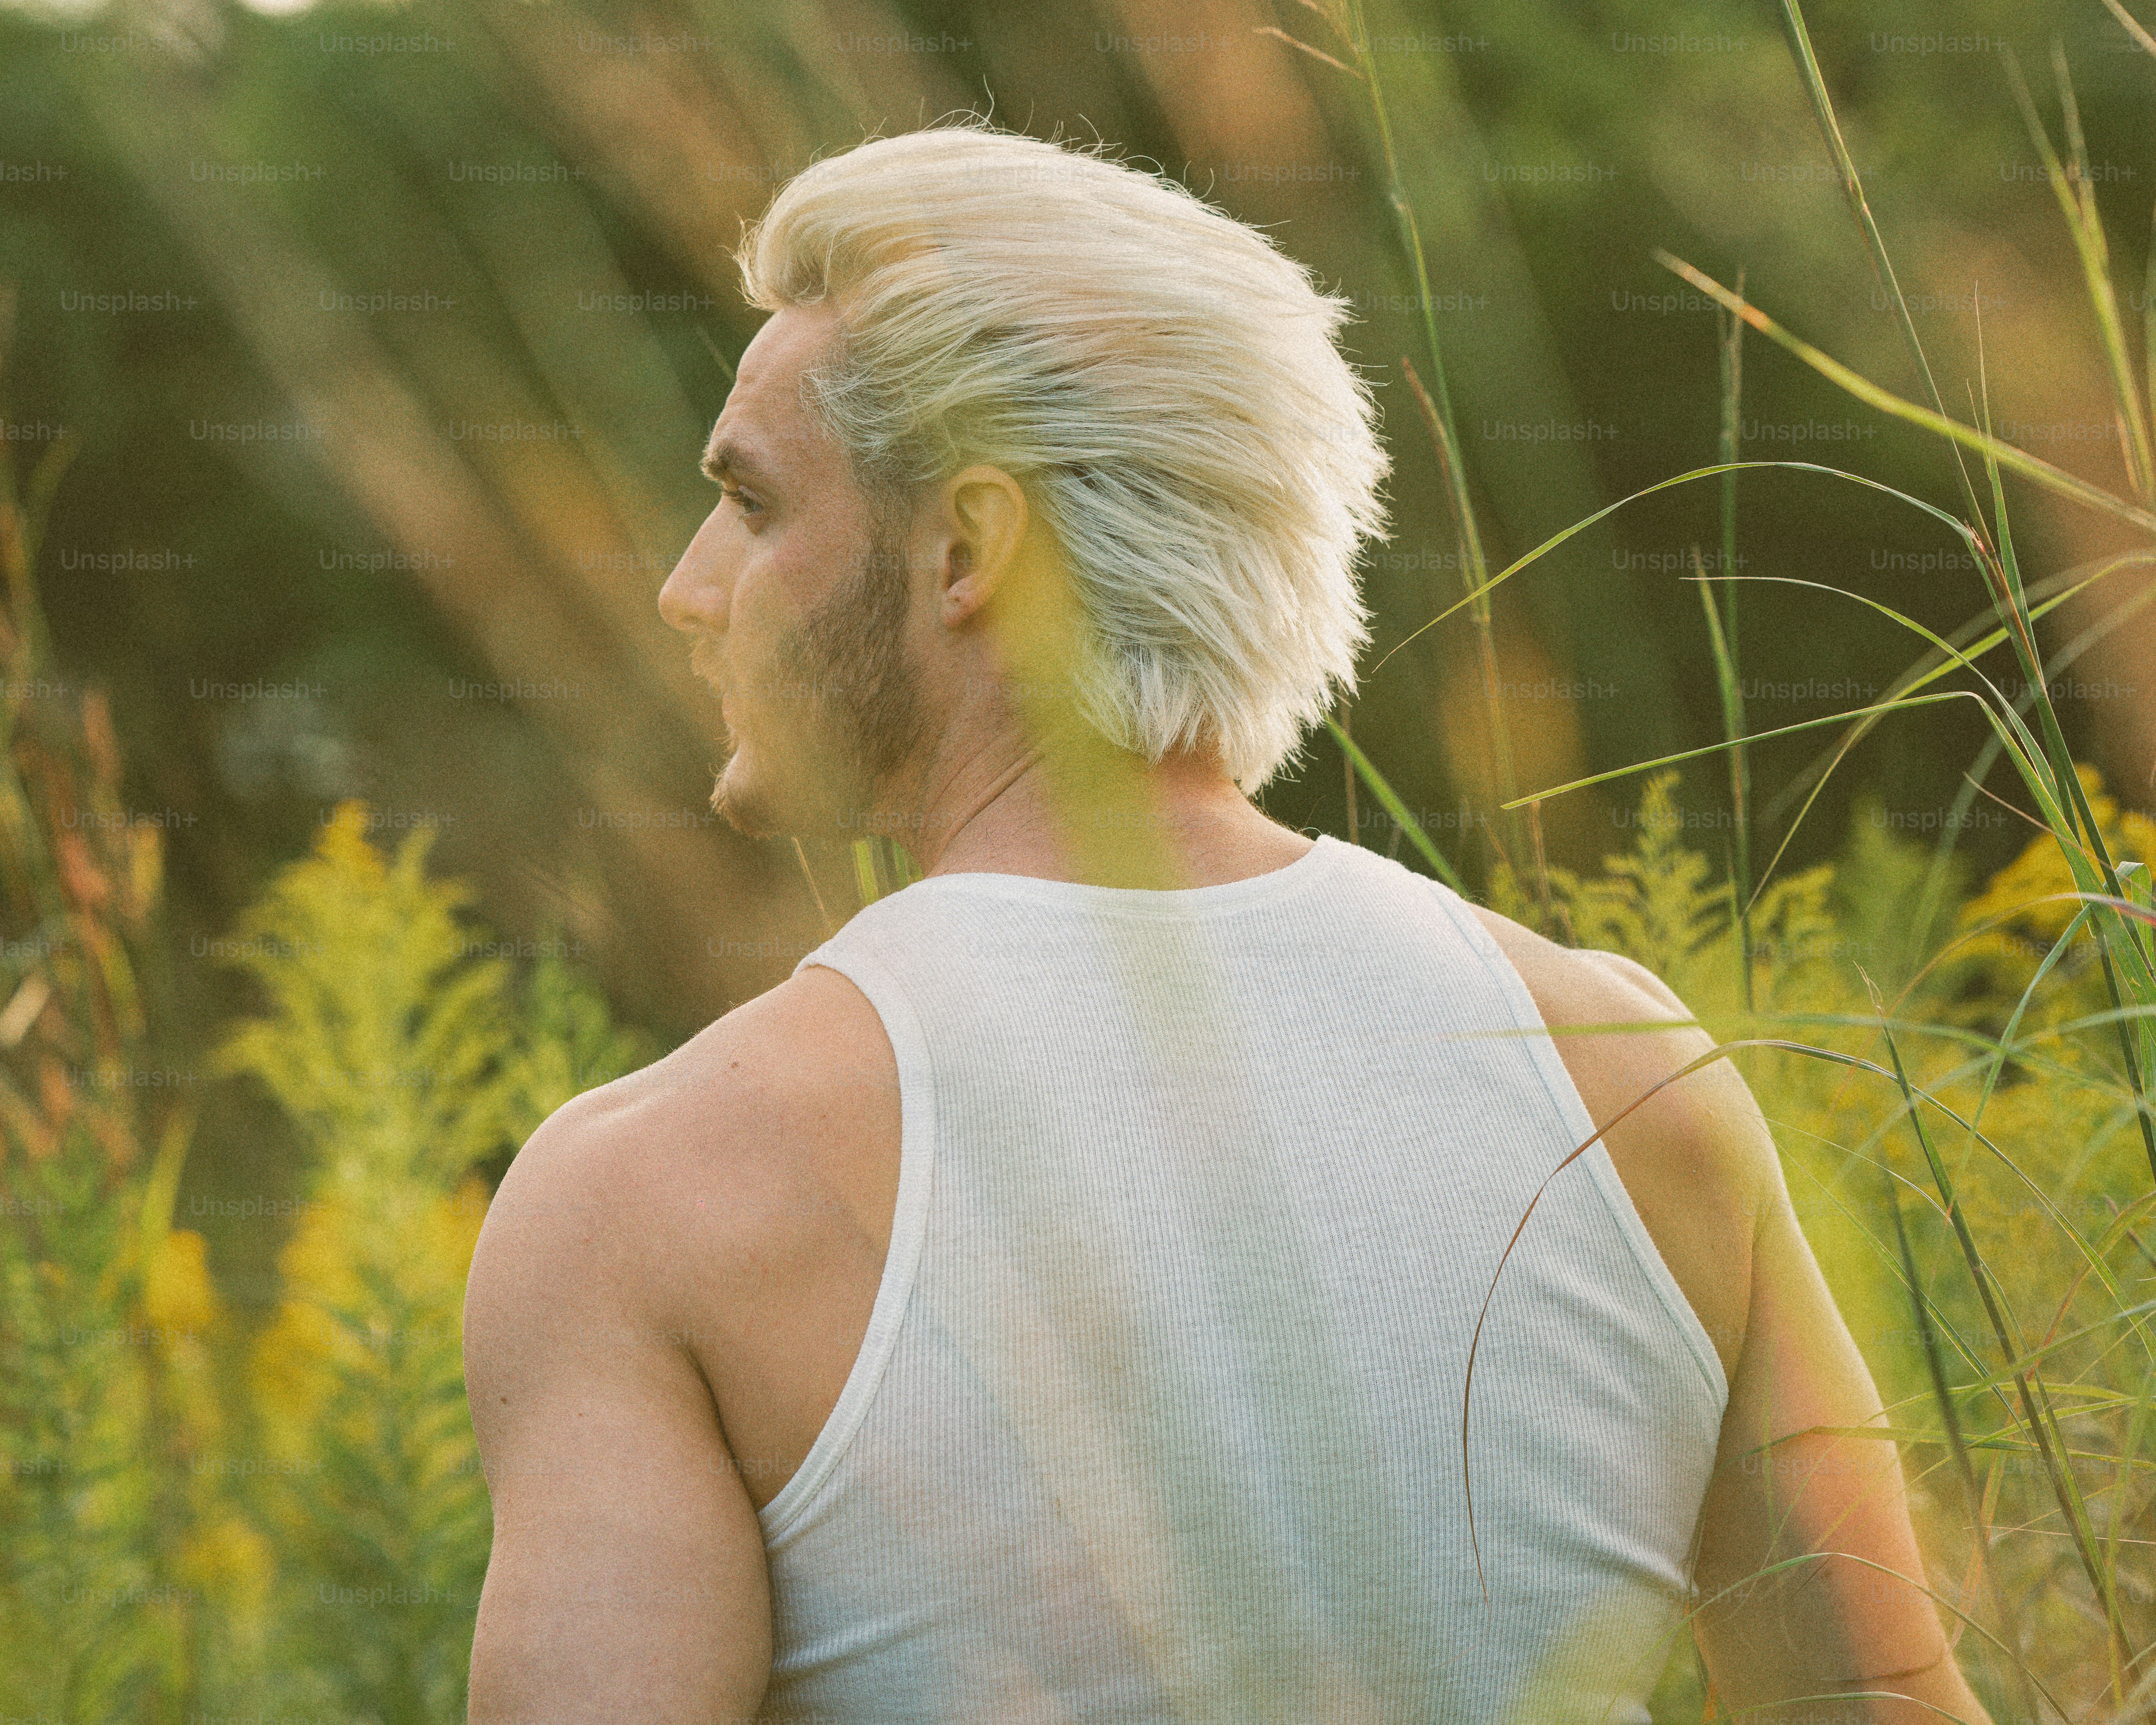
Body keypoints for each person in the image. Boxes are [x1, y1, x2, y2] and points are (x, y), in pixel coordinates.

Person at [462, 119, 1993, 1725]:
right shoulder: (1627, 1076)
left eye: (754, 504)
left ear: (970, 548)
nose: (689, 591)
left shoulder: (649, 1188)